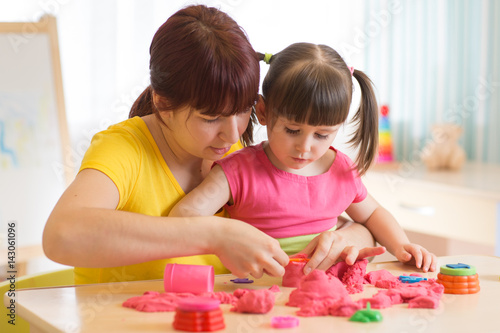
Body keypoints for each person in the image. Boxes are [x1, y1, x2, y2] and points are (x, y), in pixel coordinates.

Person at [42, 6, 376, 284]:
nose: (232, 135)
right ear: (163, 103)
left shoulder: (237, 156)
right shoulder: (125, 149)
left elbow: (334, 215)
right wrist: (211, 234)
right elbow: (61, 235)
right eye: (210, 118)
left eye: (243, 111)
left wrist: (351, 239)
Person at [169, 43, 438, 274]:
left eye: (322, 135)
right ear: (263, 112)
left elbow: (373, 214)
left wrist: (402, 246)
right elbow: (184, 215)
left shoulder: (341, 169)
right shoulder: (238, 170)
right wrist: (227, 238)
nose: (304, 147)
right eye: (292, 130)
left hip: (327, 296)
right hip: (258, 293)